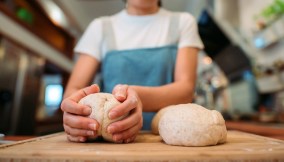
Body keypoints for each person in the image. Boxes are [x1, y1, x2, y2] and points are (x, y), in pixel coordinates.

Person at [60, 0, 204, 143]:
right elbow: (73, 90)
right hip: (111, 138)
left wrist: (136, 97)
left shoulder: (182, 22)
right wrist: (75, 113)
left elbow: (185, 90)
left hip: (164, 138)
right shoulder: (100, 27)